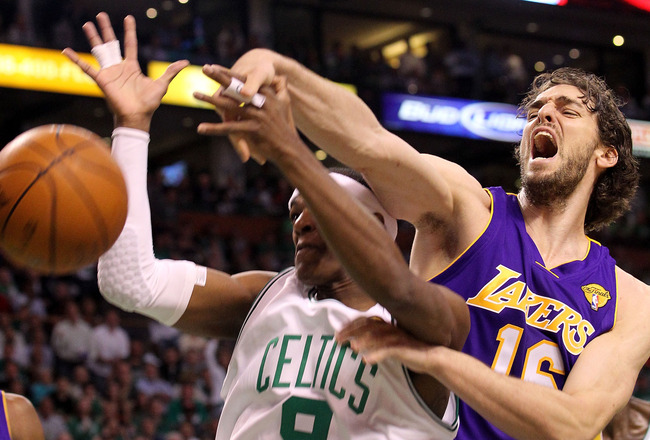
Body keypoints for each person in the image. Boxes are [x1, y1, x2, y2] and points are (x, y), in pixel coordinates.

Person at [196, 46, 650, 439]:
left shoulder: (633, 301)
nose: (543, 115)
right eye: (535, 112)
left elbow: (570, 424)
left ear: (606, 153)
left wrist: (436, 359)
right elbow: (370, 143)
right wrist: (275, 67)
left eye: (567, 111)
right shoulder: (468, 211)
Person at [62, 12, 470, 439]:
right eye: (295, 211)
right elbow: (130, 282)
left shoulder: (433, 320)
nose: (301, 224)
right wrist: (131, 128)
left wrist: (292, 152)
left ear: (376, 225)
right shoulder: (264, 295)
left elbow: (396, 286)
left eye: (316, 208)